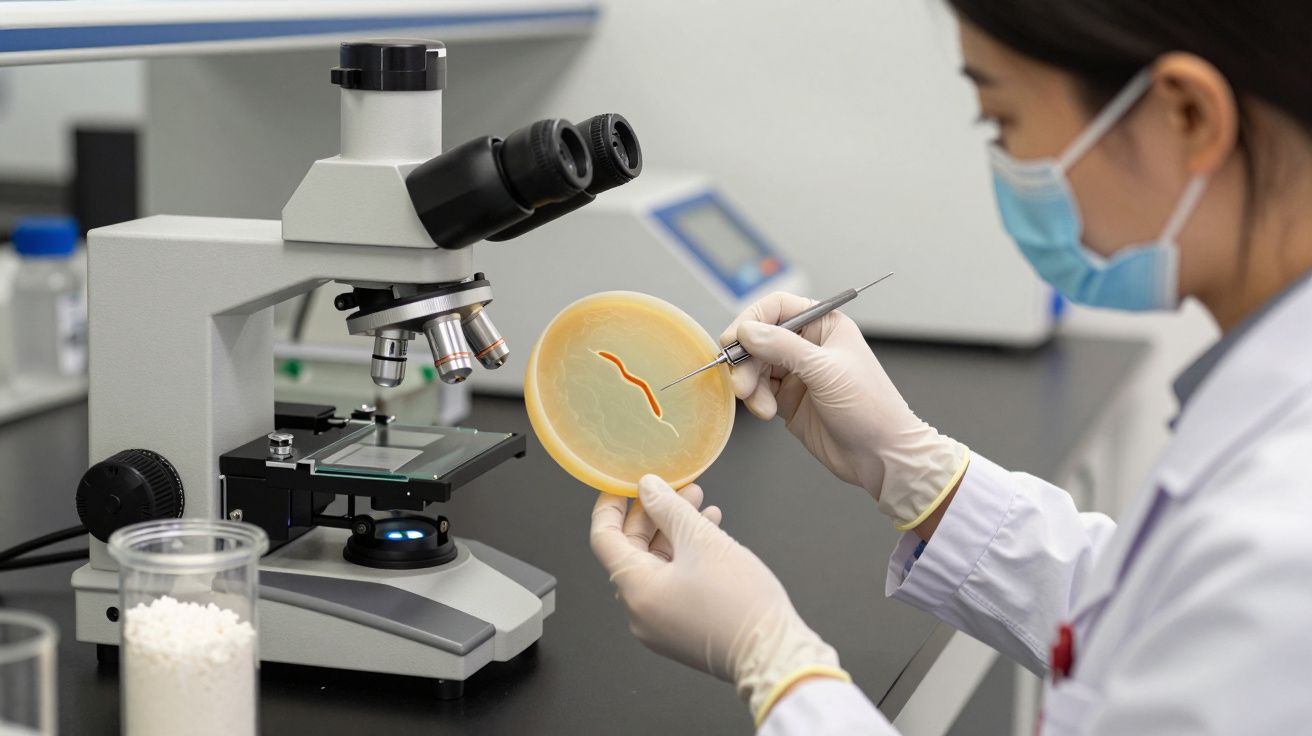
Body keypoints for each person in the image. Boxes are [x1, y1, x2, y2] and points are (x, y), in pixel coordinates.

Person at [590, 1, 1312, 733]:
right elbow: (1156, 622)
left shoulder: (1283, 544)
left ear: (1187, 115)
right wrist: (922, 474)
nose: (1005, 162)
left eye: (1003, 120)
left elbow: (1217, 610)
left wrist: (776, 664)